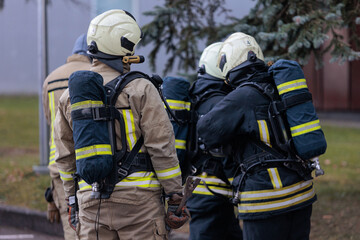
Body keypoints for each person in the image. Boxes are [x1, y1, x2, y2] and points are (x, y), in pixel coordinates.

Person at [54, 9, 186, 240]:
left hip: (90, 202)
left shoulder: (69, 97)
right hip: (139, 205)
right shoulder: (142, 89)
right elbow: (162, 146)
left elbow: (64, 156)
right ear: (125, 47)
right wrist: (175, 195)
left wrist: (72, 200)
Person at [197, 32, 317, 240]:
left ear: (228, 64)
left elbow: (206, 130)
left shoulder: (241, 97)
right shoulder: (281, 87)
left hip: (265, 199)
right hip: (301, 193)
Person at [186, 42, 243, 240]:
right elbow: (226, 151)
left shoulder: (194, 97)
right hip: (212, 191)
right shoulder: (219, 104)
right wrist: (239, 183)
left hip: (199, 187)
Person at [42, 33, 91, 240]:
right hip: (91, 162)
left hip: (59, 165)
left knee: (71, 226)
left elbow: (49, 120)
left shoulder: (50, 80)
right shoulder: (97, 74)